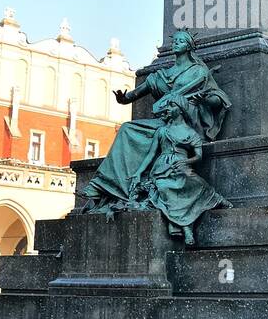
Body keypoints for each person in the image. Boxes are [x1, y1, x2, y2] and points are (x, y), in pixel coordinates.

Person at [84, 29, 230, 212]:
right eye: (174, 40)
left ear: (189, 46)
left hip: (184, 124)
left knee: (134, 132)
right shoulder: (161, 75)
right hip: (163, 121)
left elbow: (218, 99)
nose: (176, 43)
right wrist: (124, 99)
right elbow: (135, 94)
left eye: (180, 41)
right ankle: (106, 184)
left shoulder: (198, 72)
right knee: (126, 128)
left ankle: (112, 186)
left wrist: (204, 100)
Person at [131, 93, 231, 246]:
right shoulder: (162, 131)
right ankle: (186, 229)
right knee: (165, 189)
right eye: (168, 106)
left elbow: (198, 155)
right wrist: (138, 172)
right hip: (161, 168)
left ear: (181, 109)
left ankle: (216, 199)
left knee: (196, 183)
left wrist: (186, 160)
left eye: (172, 106)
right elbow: (150, 155)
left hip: (182, 166)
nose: (168, 109)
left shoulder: (191, 133)